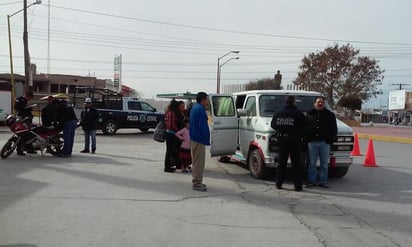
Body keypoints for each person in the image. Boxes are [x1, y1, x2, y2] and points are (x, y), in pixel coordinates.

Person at [271, 96, 306, 191]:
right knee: (296, 164)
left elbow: (273, 125)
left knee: (281, 163)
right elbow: (304, 127)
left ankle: (278, 183)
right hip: (294, 141)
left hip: (282, 141)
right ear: (294, 102)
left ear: (285, 102)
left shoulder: (278, 113)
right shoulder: (298, 113)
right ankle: (298, 186)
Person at [306, 96, 338, 188]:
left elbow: (334, 129)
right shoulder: (309, 114)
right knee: (312, 163)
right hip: (312, 143)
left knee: (324, 164)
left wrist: (330, 140)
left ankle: (322, 181)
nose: (320, 104)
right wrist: (307, 138)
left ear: (324, 104)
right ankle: (311, 181)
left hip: (325, 143)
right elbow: (305, 128)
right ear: (314, 103)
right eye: (318, 102)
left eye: (322, 102)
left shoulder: (330, 115)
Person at [189, 92, 210, 192]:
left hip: (194, 138)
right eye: (207, 99)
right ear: (203, 99)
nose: (207, 101)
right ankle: (197, 183)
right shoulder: (200, 109)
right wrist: (207, 138)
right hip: (199, 139)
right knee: (199, 162)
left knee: (196, 161)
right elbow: (203, 126)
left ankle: (197, 181)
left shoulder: (195, 107)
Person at [164, 100, 180, 172]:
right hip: (171, 134)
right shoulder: (171, 113)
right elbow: (171, 125)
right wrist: (178, 131)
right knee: (169, 151)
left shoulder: (168, 112)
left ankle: (169, 166)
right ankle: (167, 167)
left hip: (169, 133)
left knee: (169, 151)